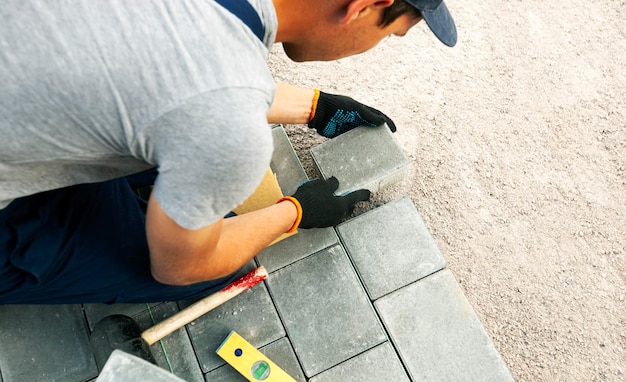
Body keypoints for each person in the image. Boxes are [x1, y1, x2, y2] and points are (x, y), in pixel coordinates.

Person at [0, 0, 456, 304]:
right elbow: (179, 267)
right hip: (13, 209)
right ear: (362, 6)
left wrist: (314, 108)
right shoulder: (228, 126)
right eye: (390, 33)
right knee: (212, 261)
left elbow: (179, 65)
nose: (376, 45)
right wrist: (295, 212)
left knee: (184, 161)